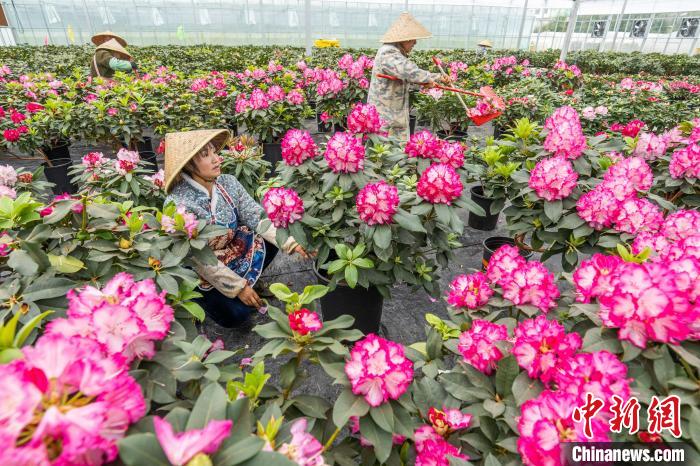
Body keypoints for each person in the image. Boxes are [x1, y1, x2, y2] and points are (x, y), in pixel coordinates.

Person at [163, 129, 311, 328]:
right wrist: (238, 288)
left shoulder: (228, 183)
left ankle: (246, 281)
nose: (217, 159)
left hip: (231, 252)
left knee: (270, 239)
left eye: (215, 151)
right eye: (206, 155)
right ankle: (203, 300)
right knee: (237, 316)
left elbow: (256, 216)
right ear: (189, 165)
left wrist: (291, 244)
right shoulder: (177, 204)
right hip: (203, 269)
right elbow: (198, 258)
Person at [368, 12, 451, 141]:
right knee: (384, 152)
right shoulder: (388, 52)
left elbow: (401, 78)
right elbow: (410, 72)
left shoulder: (395, 52)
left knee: (395, 150)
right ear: (405, 39)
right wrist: (436, 77)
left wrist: (424, 83)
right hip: (385, 116)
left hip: (392, 114)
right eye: (413, 39)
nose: (415, 43)